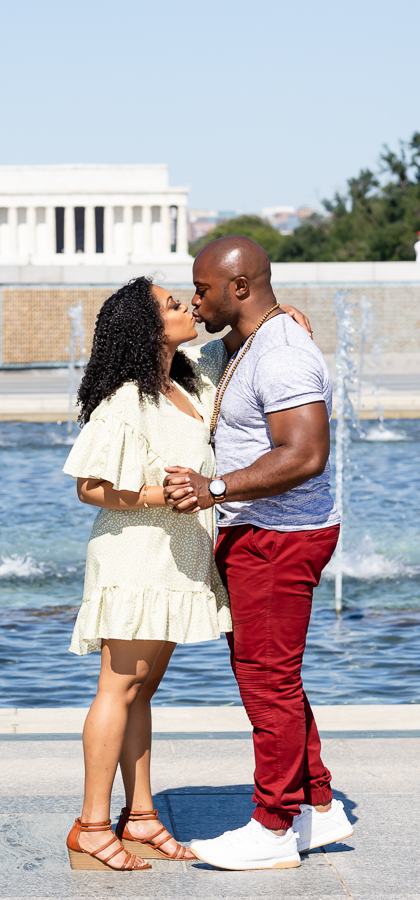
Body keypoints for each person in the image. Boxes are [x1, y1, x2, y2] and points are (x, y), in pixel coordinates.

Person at [62, 275, 311, 872]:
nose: (186, 306)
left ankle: (142, 816)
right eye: (173, 305)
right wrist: (161, 496)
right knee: (117, 689)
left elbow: (238, 342)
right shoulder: (127, 397)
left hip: (177, 558)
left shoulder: (186, 379)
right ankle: (92, 825)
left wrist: (282, 317)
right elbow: (88, 486)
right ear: (149, 329)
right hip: (137, 555)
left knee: (141, 692)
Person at [164, 236, 354, 872]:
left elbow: (304, 454)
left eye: (204, 289)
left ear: (240, 288)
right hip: (263, 533)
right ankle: (316, 805)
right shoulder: (245, 342)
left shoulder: (281, 354)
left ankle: (273, 827)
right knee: (275, 676)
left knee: (267, 681)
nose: (196, 300)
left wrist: (213, 487)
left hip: (280, 538)